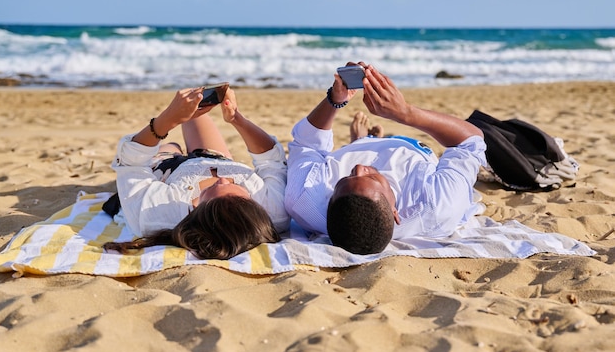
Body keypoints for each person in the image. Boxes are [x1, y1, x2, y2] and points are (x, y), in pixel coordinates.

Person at [284, 62, 486, 255]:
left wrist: (335, 100)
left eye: (346, 178)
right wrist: (404, 113)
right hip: (410, 148)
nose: (360, 166)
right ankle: (367, 140)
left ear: (328, 205)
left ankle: (362, 142)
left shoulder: (305, 201)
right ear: (395, 213)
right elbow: (471, 140)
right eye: (371, 178)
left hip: (351, 150)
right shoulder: (437, 205)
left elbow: (305, 143)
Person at [103, 86, 289, 260]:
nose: (222, 179)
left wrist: (166, 120)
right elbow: (272, 160)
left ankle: (173, 149)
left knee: (170, 146)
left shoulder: (158, 213)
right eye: (234, 186)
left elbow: (132, 161)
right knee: (196, 112)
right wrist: (236, 118)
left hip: (166, 170)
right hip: (215, 159)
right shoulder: (274, 211)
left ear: (195, 210)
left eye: (213, 189)